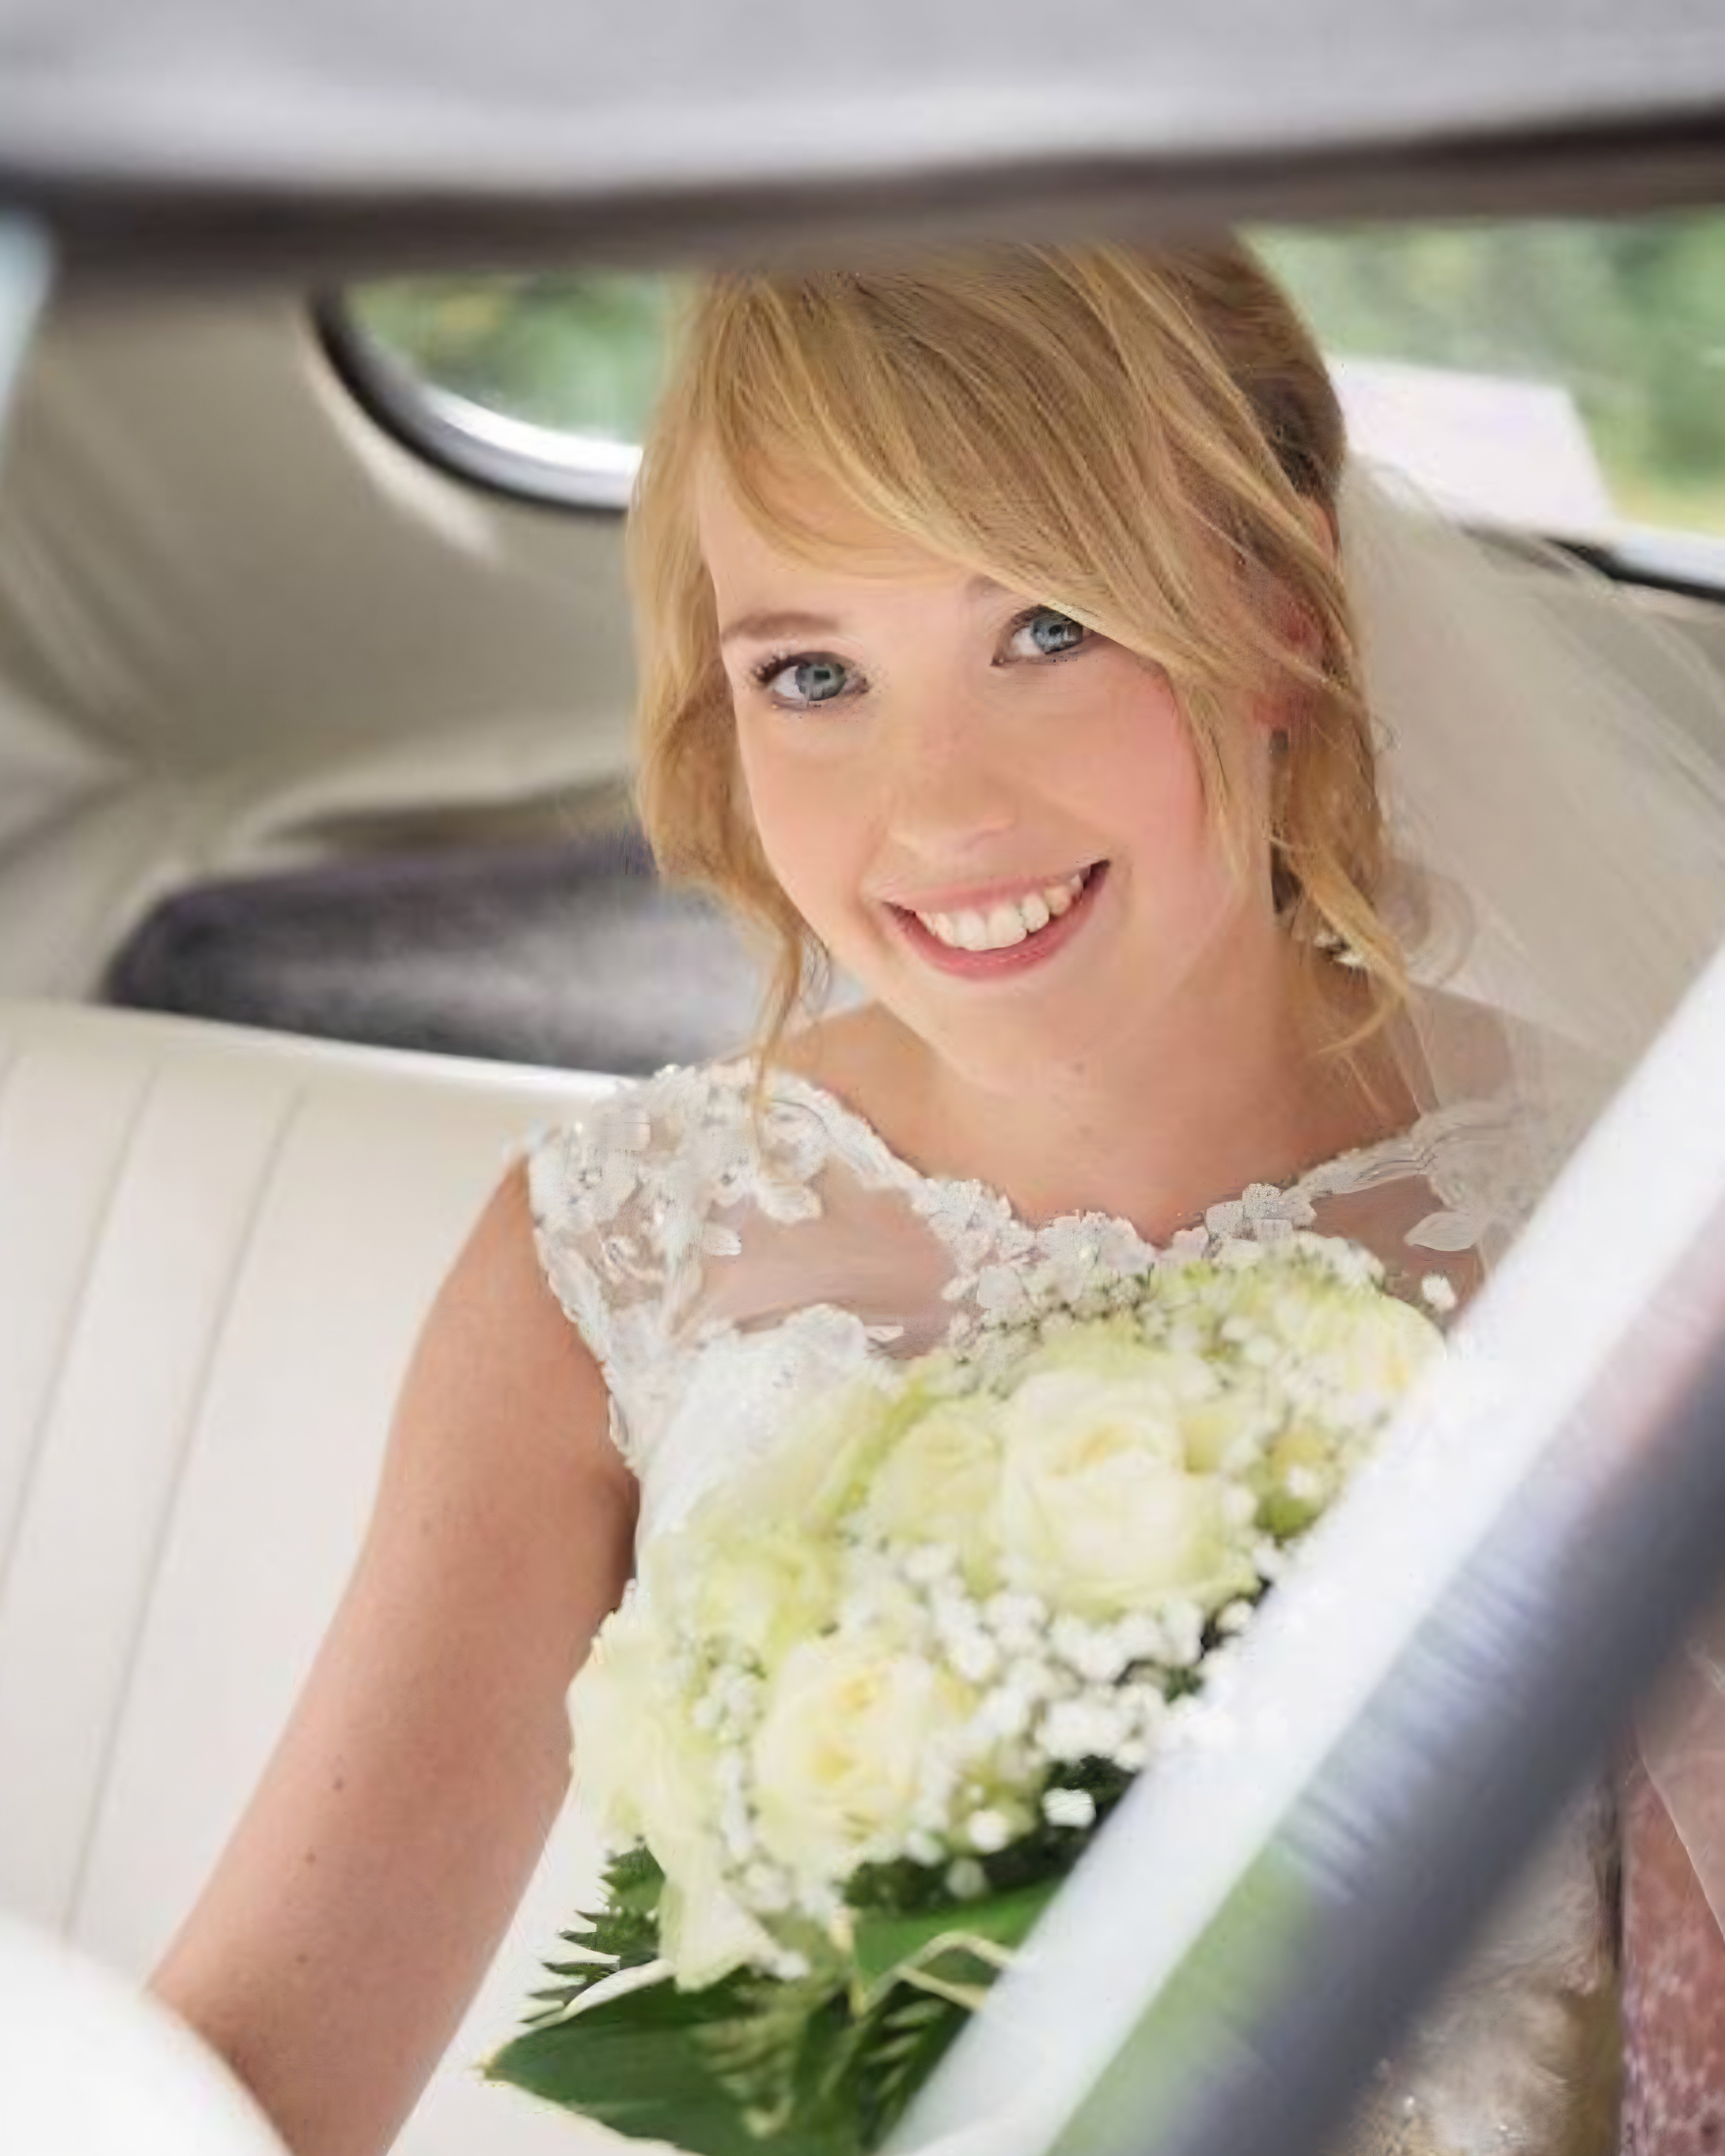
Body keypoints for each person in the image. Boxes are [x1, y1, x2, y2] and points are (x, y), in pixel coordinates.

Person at [146, 239, 1725, 2156]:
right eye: (812, 672)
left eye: (1045, 629)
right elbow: (254, 2076)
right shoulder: (613, 1262)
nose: (938, 809)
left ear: (1280, 615)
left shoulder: (1619, 1226)